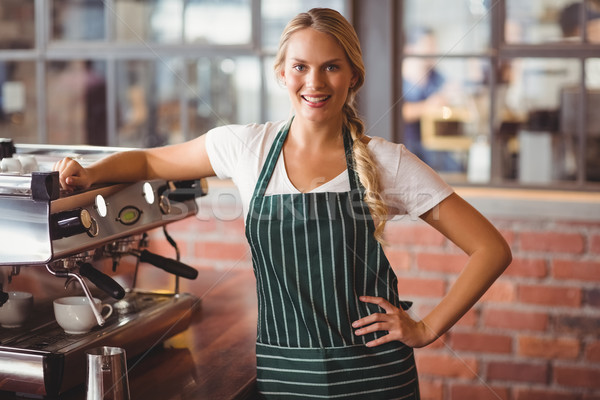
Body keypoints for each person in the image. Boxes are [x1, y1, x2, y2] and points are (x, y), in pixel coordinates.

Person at [54, 8, 511, 399]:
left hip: (374, 377)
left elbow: (491, 248)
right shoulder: (246, 147)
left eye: (331, 66)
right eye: (300, 67)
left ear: (354, 75)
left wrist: (427, 328)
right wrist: (92, 174)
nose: (315, 82)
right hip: (283, 372)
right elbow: (152, 161)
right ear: (281, 72)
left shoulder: (385, 161)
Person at [401, 27, 463, 172]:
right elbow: (400, 113)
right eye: (428, 46)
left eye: (434, 46)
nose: (434, 51)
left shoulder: (436, 77)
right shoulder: (398, 78)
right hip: (407, 145)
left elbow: (450, 97)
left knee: (456, 169)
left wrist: (452, 96)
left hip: (434, 148)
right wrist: (429, 105)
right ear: (410, 49)